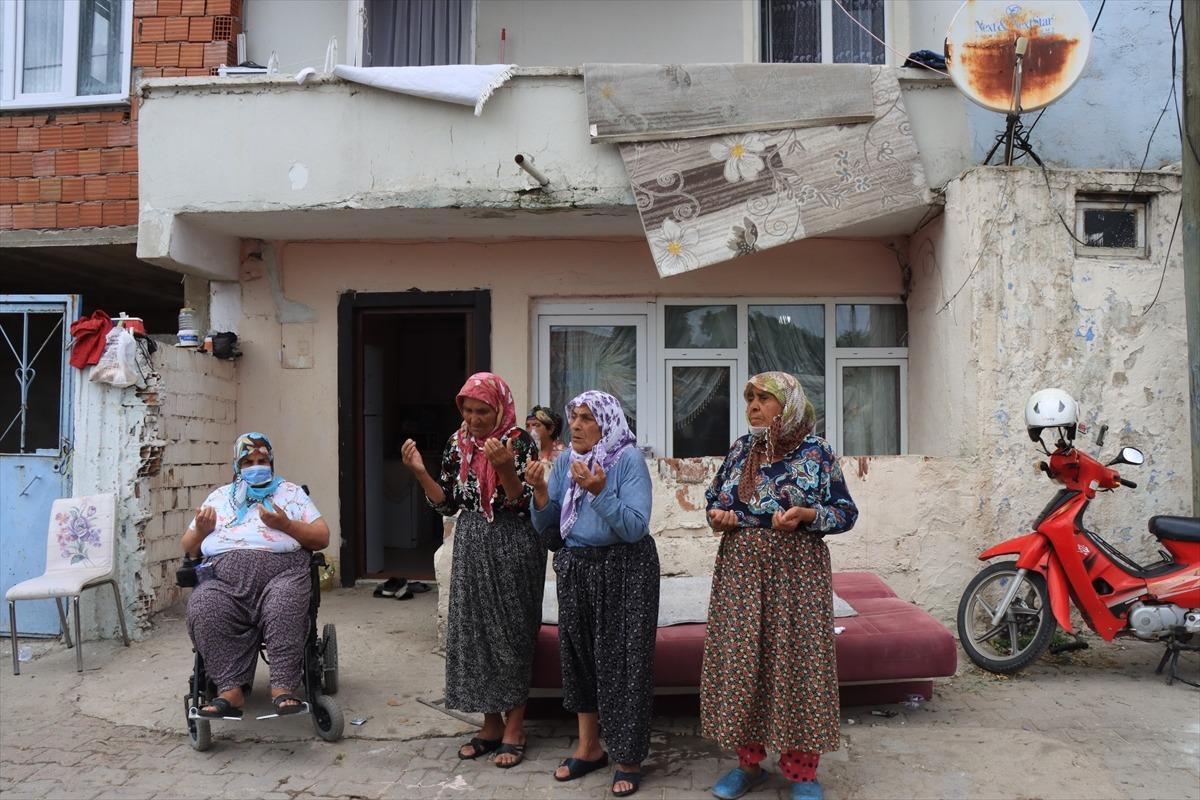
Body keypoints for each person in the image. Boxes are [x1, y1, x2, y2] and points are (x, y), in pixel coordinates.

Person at [701, 372, 858, 800]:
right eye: (749, 397)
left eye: (762, 398)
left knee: (799, 662)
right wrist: (719, 517)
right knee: (742, 663)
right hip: (742, 574)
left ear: (786, 404)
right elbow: (715, 499)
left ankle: (801, 774)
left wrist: (808, 516)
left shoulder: (817, 452)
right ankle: (747, 765)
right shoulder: (741, 450)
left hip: (797, 576)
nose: (752, 405)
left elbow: (845, 512)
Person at [401, 372, 543, 769]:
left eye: (483, 410)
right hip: (473, 540)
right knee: (476, 632)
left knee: (511, 632)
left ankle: (516, 726)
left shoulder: (518, 441)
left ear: (499, 408)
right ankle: (490, 725)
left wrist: (506, 471)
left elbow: (522, 504)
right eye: (468, 409)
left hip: (514, 542)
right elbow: (447, 504)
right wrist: (420, 473)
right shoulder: (456, 444)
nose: (475, 418)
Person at [527, 391, 658, 798]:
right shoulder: (566, 461)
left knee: (623, 662)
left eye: (587, 418)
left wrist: (601, 493)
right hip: (577, 568)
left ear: (607, 422)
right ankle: (589, 748)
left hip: (625, 569)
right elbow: (549, 531)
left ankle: (629, 757)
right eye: (574, 417)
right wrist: (540, 495)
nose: (578, 425)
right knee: (580, 658)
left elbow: (635, 527)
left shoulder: (627, 461)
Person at [183, 432, 330, 719]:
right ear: (237, 465)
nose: (256, 465)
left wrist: (286, 524)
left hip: (283, 575)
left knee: (284, 605)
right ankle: (230, 691)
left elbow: (321, 536)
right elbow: (188, 547)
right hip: (224, 580)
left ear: (272, 462)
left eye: (262, 460)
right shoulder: (219, 497)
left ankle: (283, 689)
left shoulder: (290, 493)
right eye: (248, 461)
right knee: (204, 606)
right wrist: (201, 531)